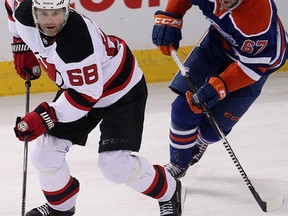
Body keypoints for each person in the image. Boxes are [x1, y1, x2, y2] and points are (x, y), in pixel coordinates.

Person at [5, 0, 186, 215]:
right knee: (45, 153)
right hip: (78, 88)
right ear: (33, 11)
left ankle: (170, 190)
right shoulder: (23, 11)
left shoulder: (78, 42)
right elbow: (11, 8)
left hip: (120, 89)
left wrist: (44, 116)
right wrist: (20, 43)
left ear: (67, 10)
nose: (50, 20)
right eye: (43, 13)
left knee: (114, 166)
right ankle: (60, 208)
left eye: (56, 13)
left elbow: (84, 99)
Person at [152, 0, 288, 178]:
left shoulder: (257, 15)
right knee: (183, 109)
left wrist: (218, 88)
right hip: (218, 44)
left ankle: (202, 141)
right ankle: (177, 164)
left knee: (213, 130)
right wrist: (172, 16)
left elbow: (251, 68)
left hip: (255, 65)